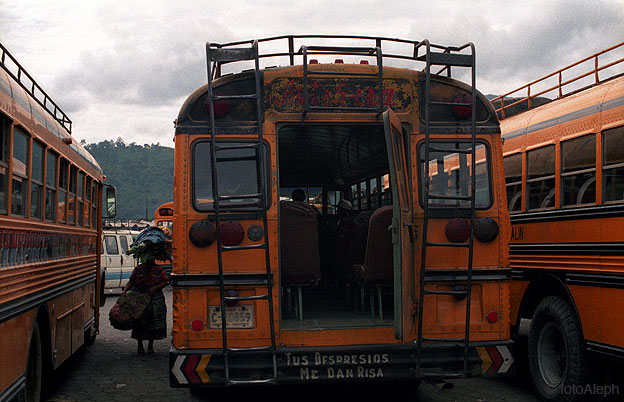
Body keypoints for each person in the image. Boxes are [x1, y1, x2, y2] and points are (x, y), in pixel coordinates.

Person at [122, 226, 171, 355]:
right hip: (140, 298)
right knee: (139, 322)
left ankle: (150, 346)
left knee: (152, 323)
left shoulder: (159, 270)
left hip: (154, 299)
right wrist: (125, 291)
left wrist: (154, 288)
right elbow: (131, 281)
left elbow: (165, 281)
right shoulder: (138, 270)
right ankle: (140, 346)